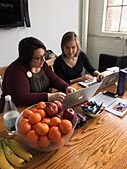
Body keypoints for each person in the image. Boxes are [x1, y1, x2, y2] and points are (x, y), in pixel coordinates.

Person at [1, 37, 75, 107]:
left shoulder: (42, 64)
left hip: (39, 106)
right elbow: (21, 98)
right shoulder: (15, 71)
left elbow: (54, 79)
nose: (43, 60)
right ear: (27, 58)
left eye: (44, 55)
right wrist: (49, 96)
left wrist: (66, 87)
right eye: (38, 58)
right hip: (14, 110)